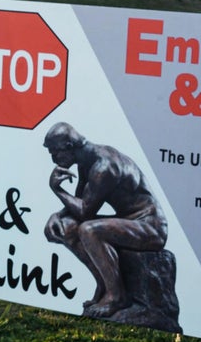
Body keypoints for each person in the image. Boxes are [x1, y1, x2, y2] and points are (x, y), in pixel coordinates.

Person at [42, 121, 169, 316]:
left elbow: (85, 213)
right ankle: (104, 284)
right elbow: (80, 204)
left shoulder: (104, 166)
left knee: (89, 230)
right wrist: (57, 216)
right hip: (130, 220)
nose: (53, 159)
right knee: (66, 227)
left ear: (68, 147)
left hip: (150, 226)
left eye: (54, 152)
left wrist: (56, 189)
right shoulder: (87, 162)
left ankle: (117, 296)